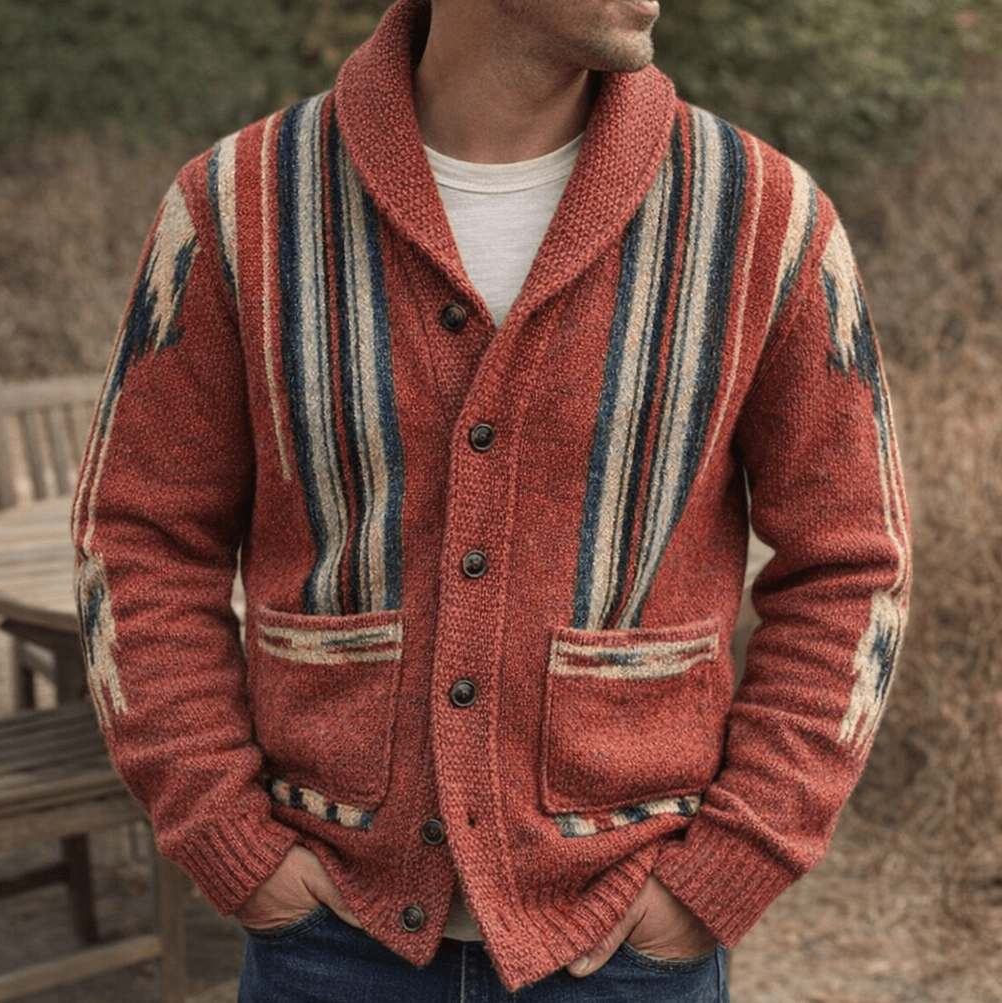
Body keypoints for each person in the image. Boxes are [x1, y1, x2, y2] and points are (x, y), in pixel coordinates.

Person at [72, 0, 911, 999]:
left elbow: (854, 564)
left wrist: (737, 857)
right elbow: (138, 538)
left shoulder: (765, 216)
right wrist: (230, 837)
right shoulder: (238, 205)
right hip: (328, 936)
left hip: (627, 944)